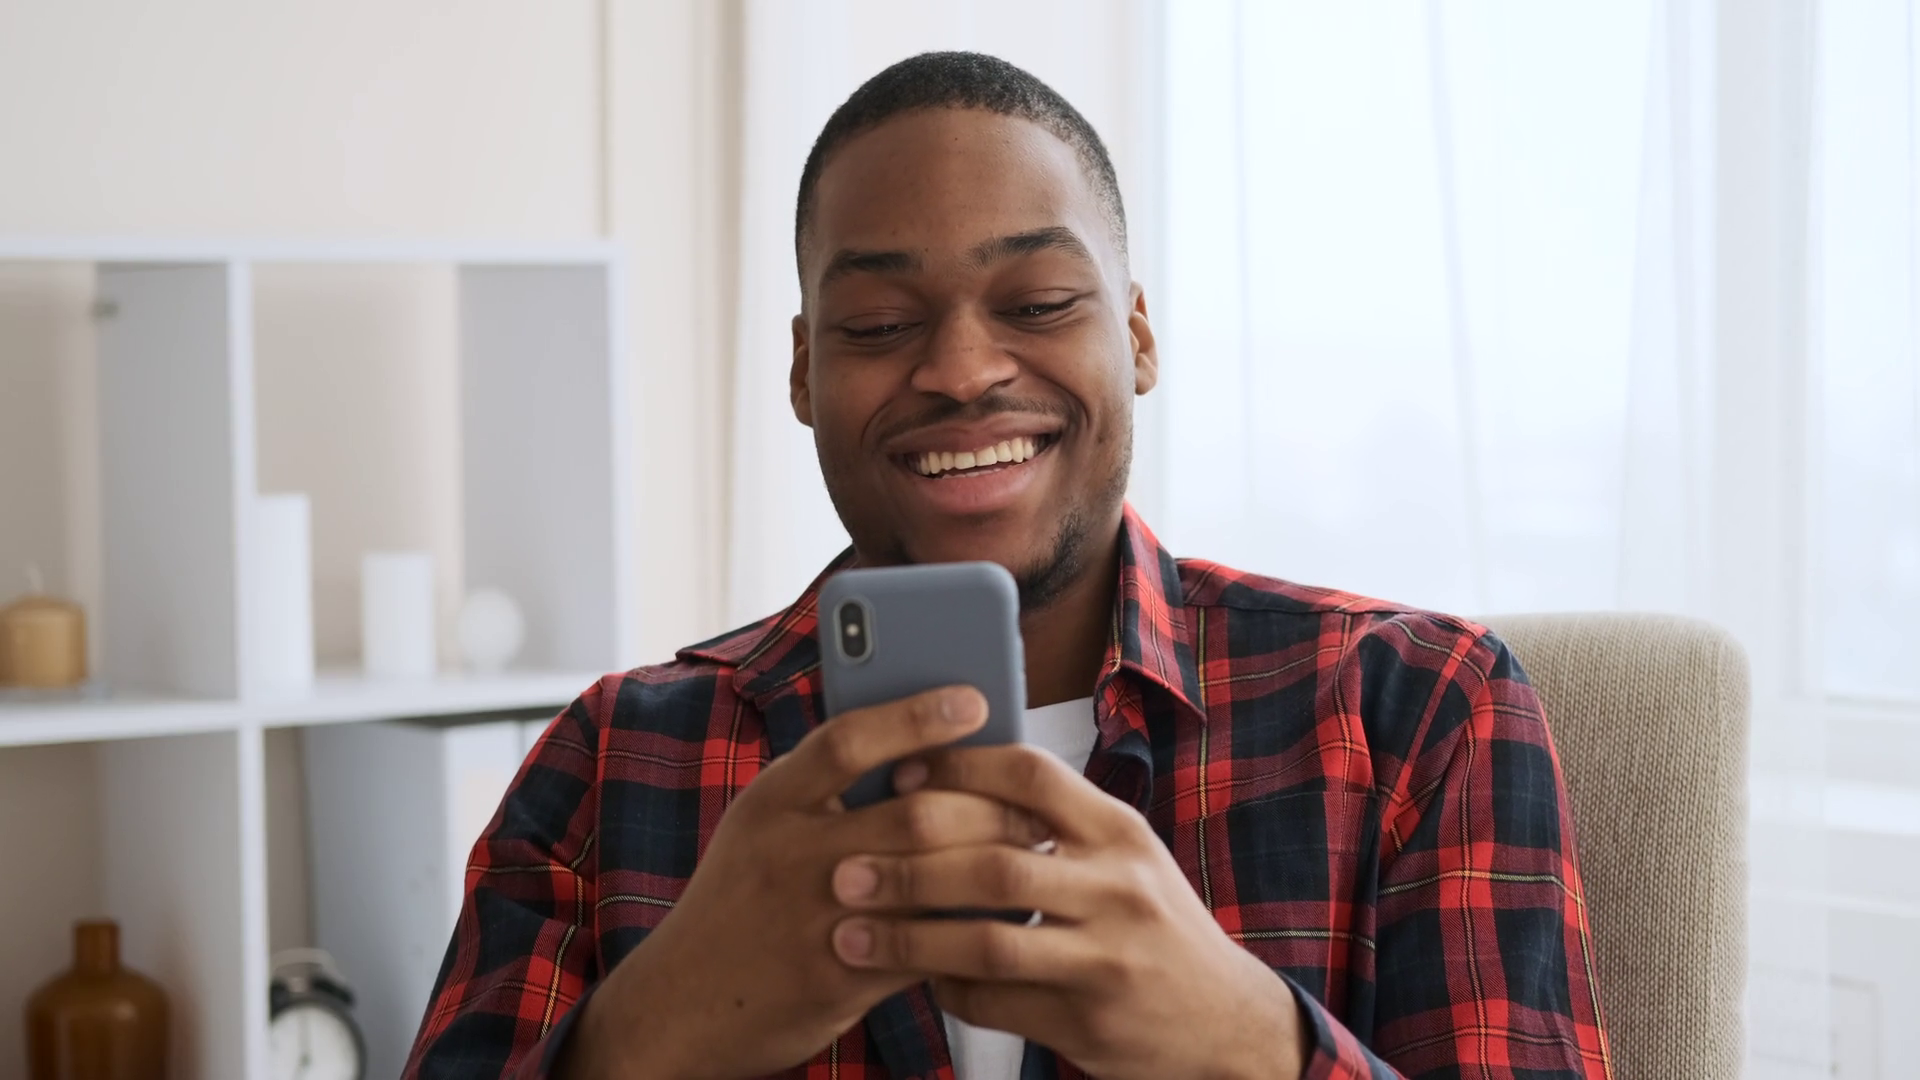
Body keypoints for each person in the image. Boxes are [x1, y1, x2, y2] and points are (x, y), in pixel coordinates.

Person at [403, 51, 1612, 1080]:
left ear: (1136, 335)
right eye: (880, 325)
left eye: (1037, 303)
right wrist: (646, 1036)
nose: (962, 371)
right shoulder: (610, 764)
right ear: (805, 372)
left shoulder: (1417, 711)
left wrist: (1250, 1042)